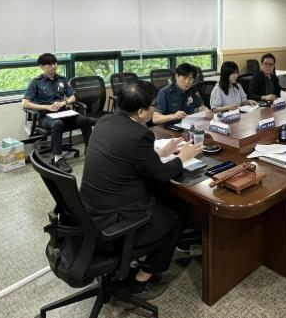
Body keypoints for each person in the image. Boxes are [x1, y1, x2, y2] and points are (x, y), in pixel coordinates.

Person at [79, 80, 203, 300]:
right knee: (174, 221)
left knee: (164, 199)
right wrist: (182, 158)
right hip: (114, 219)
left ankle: (141, 259)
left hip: (89, 210)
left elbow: (128, 157)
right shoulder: (139, 134)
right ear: (141, 112)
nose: (155, 109)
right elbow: (160, 175)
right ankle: (139, 282)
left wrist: (161, 153)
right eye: (153, 105)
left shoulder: (106, 121)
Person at [22, 53, 93, 173]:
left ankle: (90, 151)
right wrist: (47, 107)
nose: (53, 66)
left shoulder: (62, 79)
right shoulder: (36, 82)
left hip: (63, 113)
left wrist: (64, 102)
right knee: (58, 124)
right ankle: (57, 159)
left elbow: (74, 97)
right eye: (49, 64)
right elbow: (25, 103)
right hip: (46, 116)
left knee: (84, 120)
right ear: (42, 66)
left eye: (55, 63)